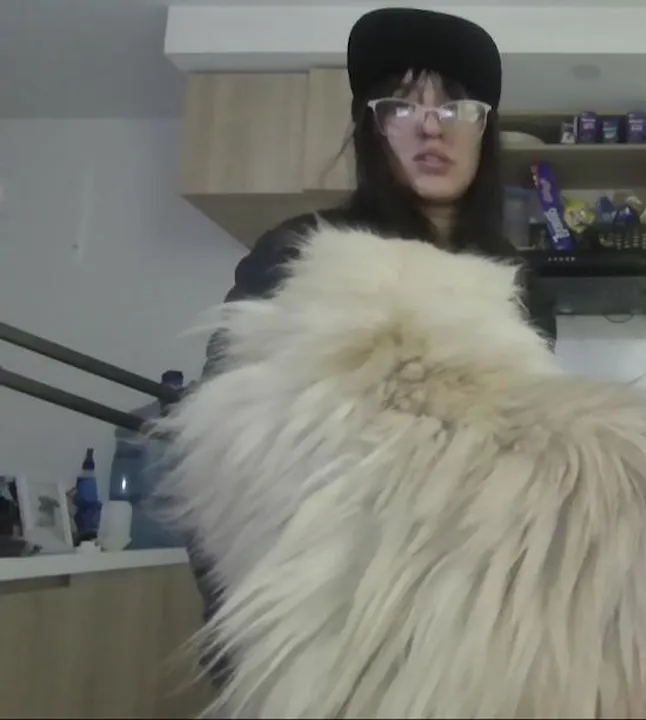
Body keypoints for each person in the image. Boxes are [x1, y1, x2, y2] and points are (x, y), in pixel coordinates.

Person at [187, 7, 557, 688]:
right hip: (325, 628)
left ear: (484, 130)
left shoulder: (520, 287)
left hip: (468, 632)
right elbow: (219, 464)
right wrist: (246, 655)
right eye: (402, 106)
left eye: (456, 106)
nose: (431, 126)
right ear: (371, 126)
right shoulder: (299, 253)